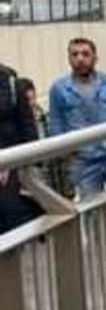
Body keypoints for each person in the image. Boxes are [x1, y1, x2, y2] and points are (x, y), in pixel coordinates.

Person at [48, 37, 106, 198]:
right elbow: (56, 124)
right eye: (74, 54)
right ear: (69, 58)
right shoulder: (59, 88)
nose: (80, 59)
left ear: (95, 58)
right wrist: (66, 153)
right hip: (84, 160)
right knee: (93, 212)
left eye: (85, 54)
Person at [0, 63, 42, 234]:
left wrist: (16, 162)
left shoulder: (11, 84)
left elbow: (27, 126)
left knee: (9, 214)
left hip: (11, 163)